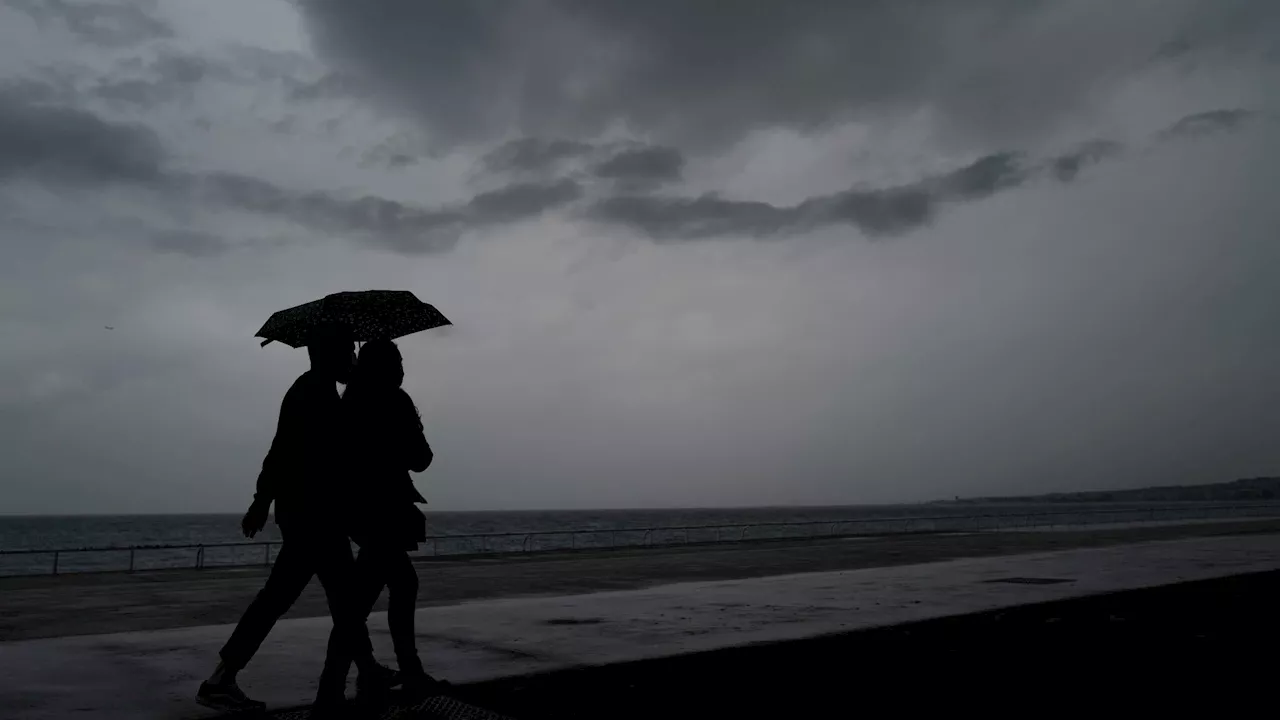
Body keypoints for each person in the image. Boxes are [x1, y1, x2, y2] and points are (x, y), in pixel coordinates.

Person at [196, 325, 397, 716]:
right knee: (325, 597)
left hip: (312, 515)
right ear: (327, 355)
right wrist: (260, 500)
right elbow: (284, 452)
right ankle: (220, 679)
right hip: (313, 518)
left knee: (312, 598)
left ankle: (223, 678)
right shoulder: (311, 394)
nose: (352, 360)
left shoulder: (316, 391)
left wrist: (262, 501)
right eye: (347, 352)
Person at [343, 339, 444, 698]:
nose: (403, 368)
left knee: (372, 592)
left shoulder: (349, 402)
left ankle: (371, 669)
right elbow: (421, 458)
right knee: (384, 591)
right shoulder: (395, 401)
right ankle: (397, 670)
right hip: (385, 512)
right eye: (398, 361)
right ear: (388, 366)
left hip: (359, 512)